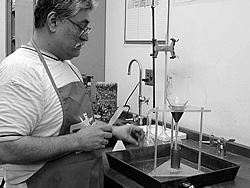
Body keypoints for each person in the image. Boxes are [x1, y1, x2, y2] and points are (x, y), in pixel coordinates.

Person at [0, 0, 144, 187]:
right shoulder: (21, 69)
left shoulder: (68, 67)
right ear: (53, 21)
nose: (85, 37)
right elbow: (5, 148)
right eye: (80, 27)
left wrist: (115, 132)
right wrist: (77, 141)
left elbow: (78, 125)